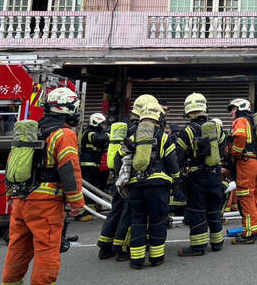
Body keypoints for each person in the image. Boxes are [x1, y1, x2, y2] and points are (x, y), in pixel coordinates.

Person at [2, 87, 85, 285]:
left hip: (20, 199)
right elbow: (69, 170)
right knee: (47, 251)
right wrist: (77, 202)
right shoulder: (64, 134)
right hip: (45, 205)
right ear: (69, 110)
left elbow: (12, 163)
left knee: (17, 249)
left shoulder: (32, 130)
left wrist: (10, 195)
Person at [117, 101, 179, 269]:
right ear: (159, 117)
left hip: (136, 185)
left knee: (137, 220)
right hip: (158, 185)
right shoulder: (164, 137)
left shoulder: (132, 137)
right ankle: (156, 257)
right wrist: (177, 178)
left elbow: (119, 158)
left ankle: (136, 260)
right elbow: (172, 161)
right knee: (158, 220)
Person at [97, 94, 158, 261]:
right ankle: (122, 248)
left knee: (115, 209)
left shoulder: (125, 125)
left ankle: (105, 245)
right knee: (129, 211)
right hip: (130, 176)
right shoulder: (138, 129)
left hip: (118, 174)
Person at [175, 93, 226, 256]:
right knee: (214, 207)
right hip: (215, 174)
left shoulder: (187, 131)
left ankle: (198, 246)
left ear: (188, 111)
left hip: (197, 176)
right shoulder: (217, 127)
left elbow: (179, 157)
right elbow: (223, 148)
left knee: (197, 209)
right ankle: (217, 242)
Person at [228, 98, 257, 244]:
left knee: (245, 197)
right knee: (253, 197)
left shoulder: (240, 120)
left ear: (240, 108)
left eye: (233, 109)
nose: (232, 113)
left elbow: (240, 136)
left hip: (246, 163)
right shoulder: (251, 121)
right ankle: (255, 227)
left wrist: (234, 152)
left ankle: (248, 233)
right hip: (255, 162)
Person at [75, 112, 109, 222]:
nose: (104, 126)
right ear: (96, 123)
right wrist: (109, 135)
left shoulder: (98, 133)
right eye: (102, 124)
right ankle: (84, 211)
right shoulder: (88, 132)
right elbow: (97, 139)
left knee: (95, 188)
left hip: (95, 166)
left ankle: (91, 209)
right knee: (89, 188)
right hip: (86, 165)